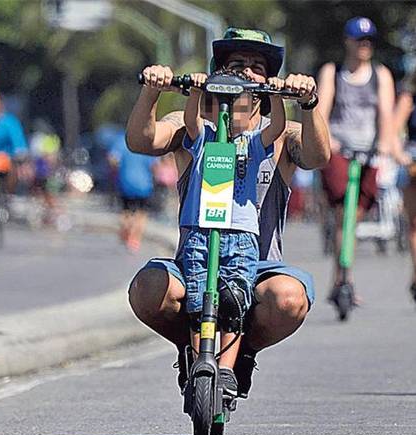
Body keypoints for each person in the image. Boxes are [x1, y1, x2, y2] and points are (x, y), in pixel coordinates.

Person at [126, 27, 330, 399]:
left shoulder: (279, 136)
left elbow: (318, 157)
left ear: (269, 81)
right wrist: (152, 90)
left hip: (258, 266)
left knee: (288, 298)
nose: (248, 73)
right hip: (197, 259)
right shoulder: (194, 129)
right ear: (218, 73)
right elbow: (142, 141)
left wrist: (308, 100)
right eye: (237, 64)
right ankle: (192, 350)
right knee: (148, 288)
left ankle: (243, 354)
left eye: (257, 67)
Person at [180, 68, 286, 394]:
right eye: (220, 102)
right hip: (201, 232)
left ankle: (225, 370)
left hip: (240, 237)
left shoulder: (253, 143)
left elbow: (278, 127)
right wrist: (197, 90)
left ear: (255, 105)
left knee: (232, 304)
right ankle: (201, 360)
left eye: (238, 102)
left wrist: (277, 93)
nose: (229, 110)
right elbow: (190, 121)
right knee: (199, 305)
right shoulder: (206, 139)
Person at [317, 17, 396, 305]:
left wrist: (385, 146)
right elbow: (322, 111)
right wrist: (327, 141)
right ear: (347, 41)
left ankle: (340, 278)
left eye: (368, 41)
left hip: (369, 153)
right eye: (359, 40)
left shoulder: (380, 74)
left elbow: (385, 114)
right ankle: (344, 279)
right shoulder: (333, 72)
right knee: (342, 215)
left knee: (355, 217)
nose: (364, 46)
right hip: (340, 150)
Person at [108, 130, 156, 253]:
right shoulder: (146, 144)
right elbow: (154, 165)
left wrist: (117, 171)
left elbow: (112, 159)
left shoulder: (121, 140)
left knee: (126, 212)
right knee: (141, 213)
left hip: (125, 182)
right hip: (144, 184)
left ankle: (126, 233)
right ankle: (135, 239)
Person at [393, 70, 416, 302]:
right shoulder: (409, 97)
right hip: (413, 161)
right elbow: (393, 131)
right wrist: (402, 158)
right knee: (415, 224)